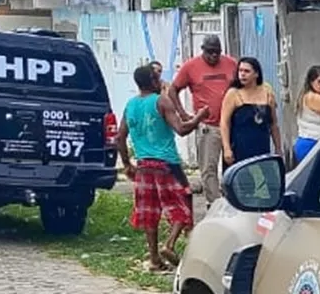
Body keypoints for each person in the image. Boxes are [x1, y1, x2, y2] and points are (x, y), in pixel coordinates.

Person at [117, 64, 196, 271]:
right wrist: (199, 119)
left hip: (143, 166)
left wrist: (127, 164)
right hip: (167, 164)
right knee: (183, 201)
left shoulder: (130, 105)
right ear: (153, 81)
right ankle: (169, 244)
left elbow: (120, 137)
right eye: (157, 77)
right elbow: (181, 130)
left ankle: (154, 259)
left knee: (149, 213)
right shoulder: (161, 101)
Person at [161, 34, 234, 207]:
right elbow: (173, 90)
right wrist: (183, 114)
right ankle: (214, 204)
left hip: (232, 125)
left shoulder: (231, 63)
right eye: (210, 52)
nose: (214, 56)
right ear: (203, 50)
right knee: (208, 167)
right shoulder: (191, 67)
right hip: (209, 125)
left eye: (217, 52)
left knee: (232, 166)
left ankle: (233, 202)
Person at [220, 56, 284, 171]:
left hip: (261, 147)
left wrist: (278, 148)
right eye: (240, 71)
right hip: (240, 148)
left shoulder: (267, 93)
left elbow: (274, 124)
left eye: (247, 71)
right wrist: (227, 148)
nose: (242, 74)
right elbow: (224, 123)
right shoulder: (233, 94)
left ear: (256, 74)